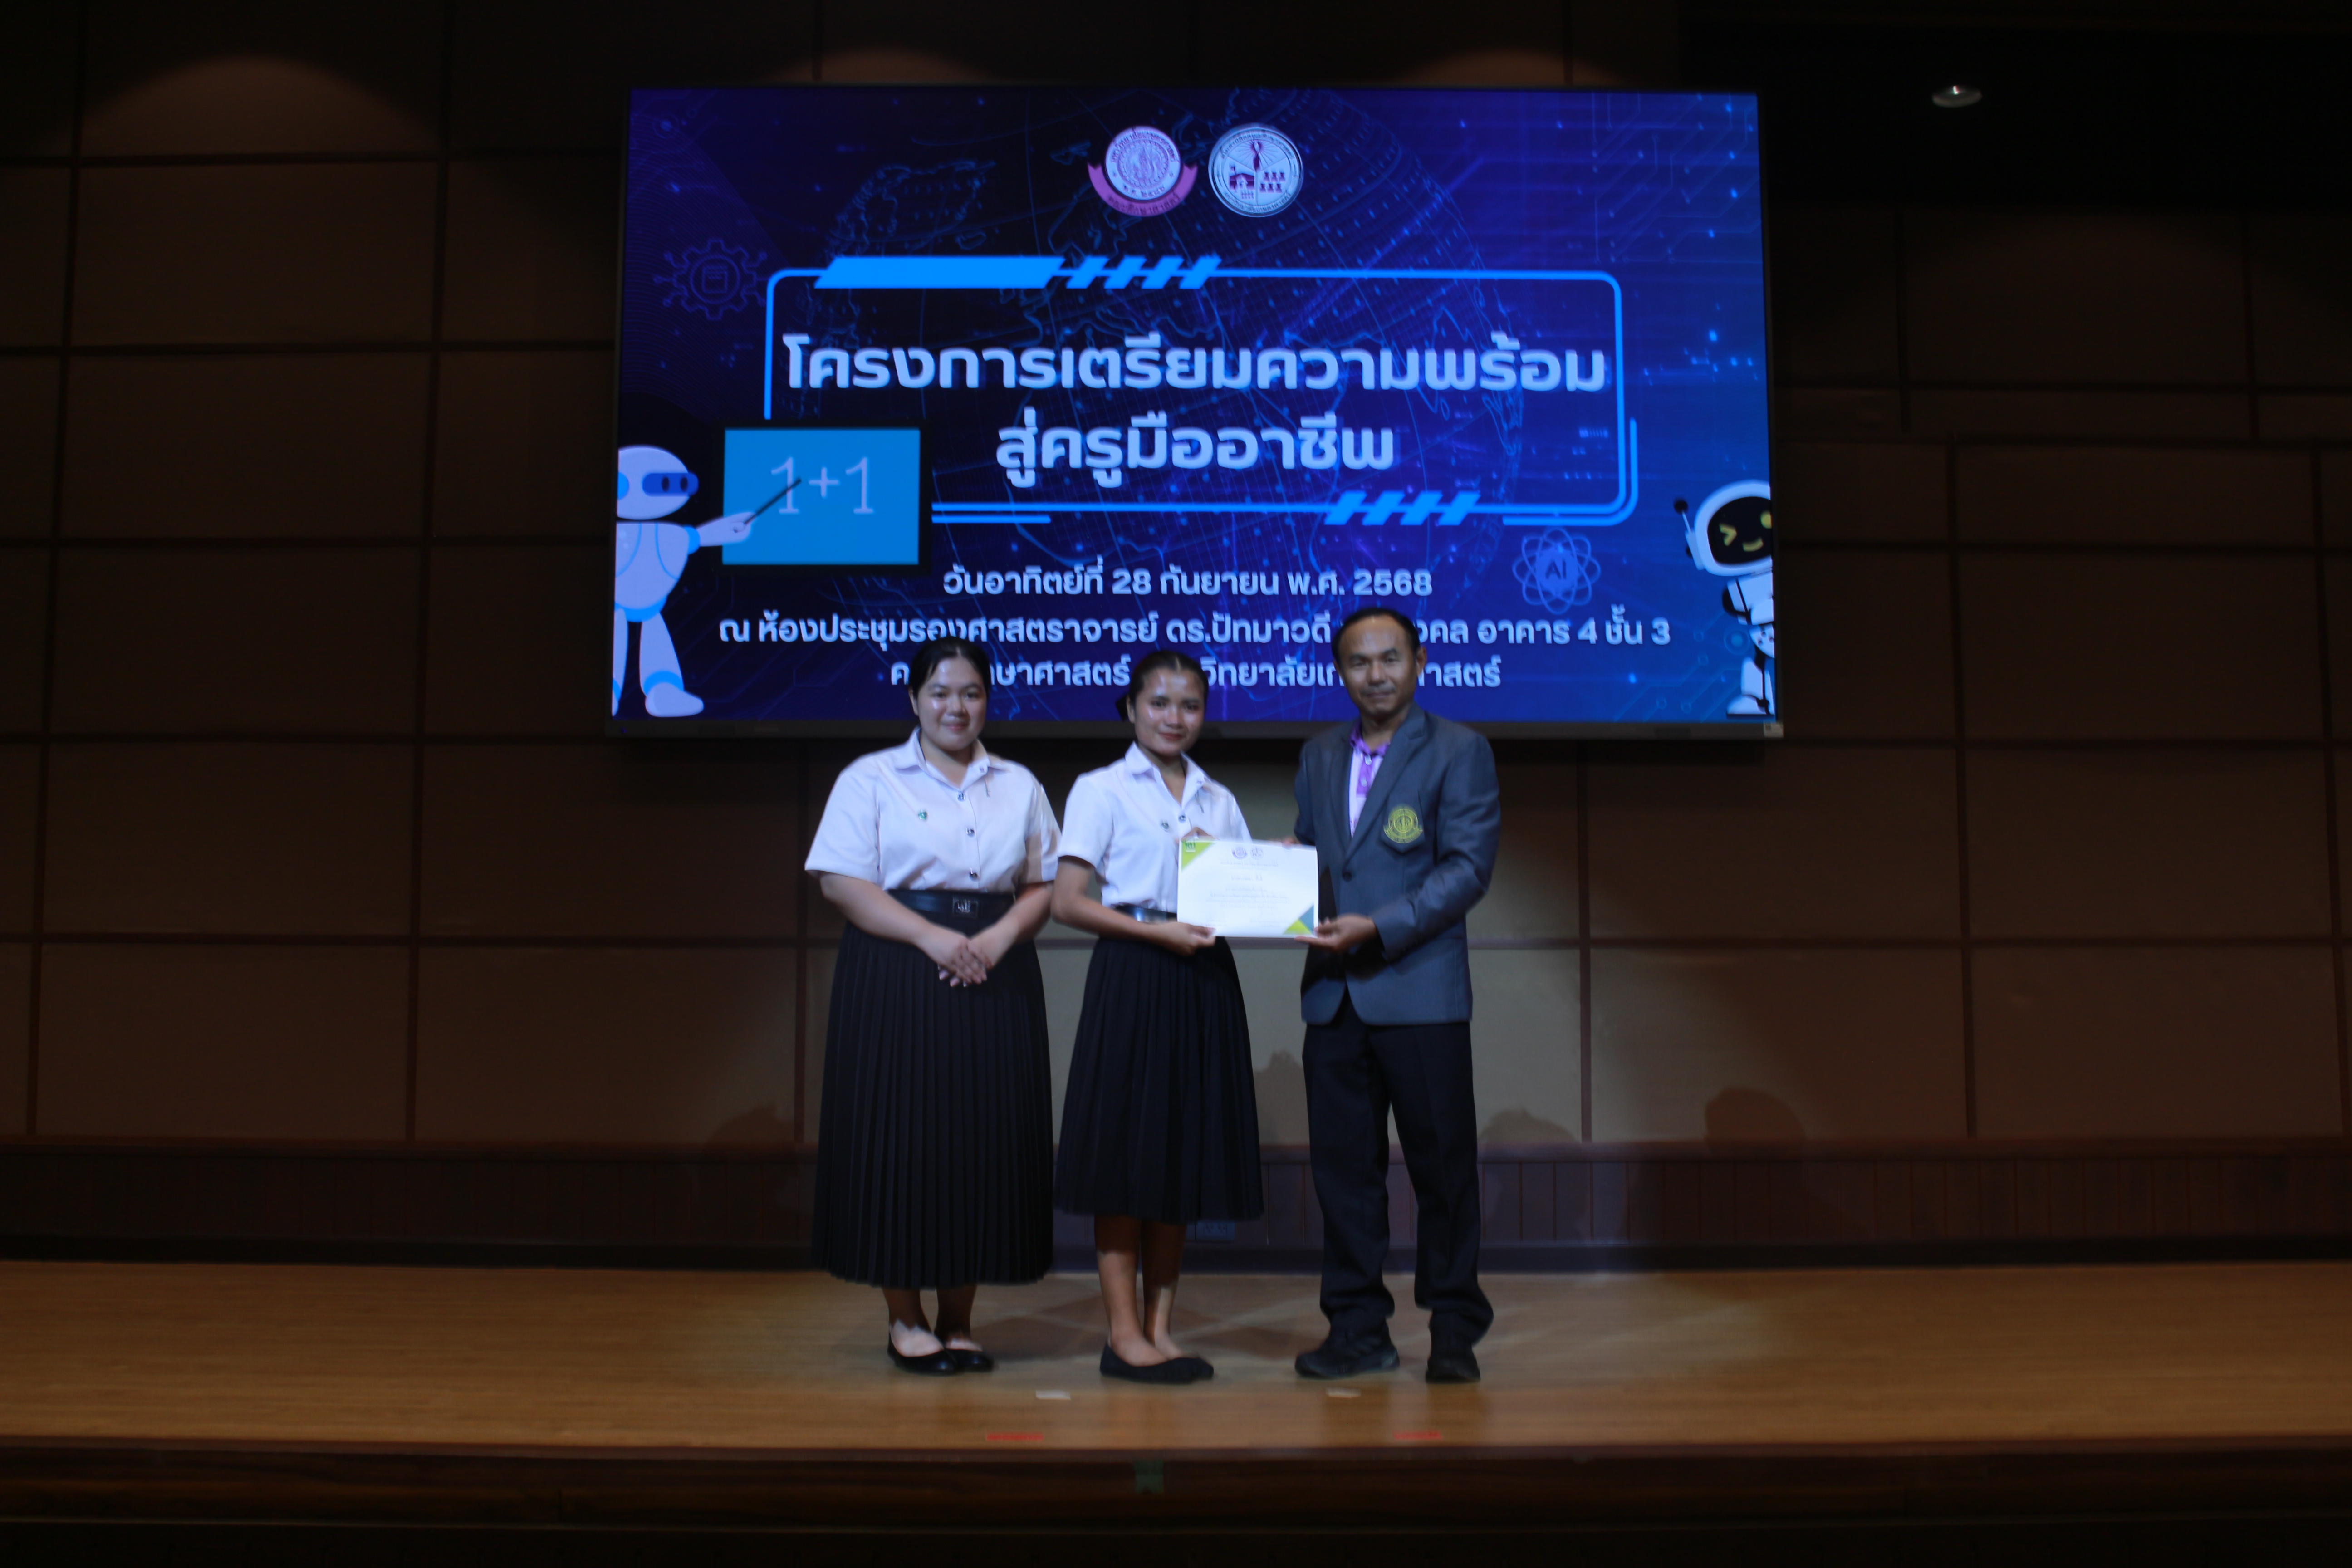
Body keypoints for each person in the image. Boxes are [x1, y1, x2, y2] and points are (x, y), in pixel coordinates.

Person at [804, 637, 1059, 1375]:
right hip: (898, 968)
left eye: (972, 693)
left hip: (997, 967)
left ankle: (959, 1319)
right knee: (901, 1140)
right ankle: (905, 1319)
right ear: (913, 699)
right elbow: (841, 882)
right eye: (941, 693)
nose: (956, 707)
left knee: (982, 1141)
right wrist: (932, 938)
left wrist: (1000, 936)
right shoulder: (871, 778)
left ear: (988, 701)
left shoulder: (1019, 784)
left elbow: (1042, 883)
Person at [1290, 606, 1500, 1384]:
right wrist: (1275, 877)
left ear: (1420, 662)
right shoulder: (1318, 754)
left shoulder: (1459, 750)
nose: (1374, 674)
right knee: (1344, 1177)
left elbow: (1467, 868)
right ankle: (1356, 1329)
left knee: (1443, 1172)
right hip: (1333, 1000)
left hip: (1419, 993)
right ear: (1339, 672)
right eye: (1358, 662)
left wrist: (1379, 926)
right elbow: (1319, 858)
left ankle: (1453, 1329)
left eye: (1389, 659)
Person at [1051, 651, 1264, 1386]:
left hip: (1204, 976)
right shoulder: (1101, 789)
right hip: (1134, 972)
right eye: (1160, 703)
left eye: (1190, 705)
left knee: (1180, 1155)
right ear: (1130, 708)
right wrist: (1155, 933)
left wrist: (1276, 872)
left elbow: (1240, 897)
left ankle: (1161, 1331)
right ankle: (1122, 1336)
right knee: (1126, 1158)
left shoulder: (1217, 798)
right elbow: (1067, 902)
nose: (1176, 718)